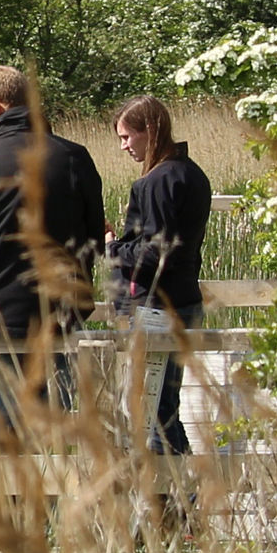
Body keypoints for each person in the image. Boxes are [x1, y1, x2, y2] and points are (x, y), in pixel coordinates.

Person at [0, 65, 106, 418]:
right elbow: (94, 240)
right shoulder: (73, 158)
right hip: (60, 317)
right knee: (56, 429)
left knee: (9, 433)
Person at [109, 94, 214, 455]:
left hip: (157, 307)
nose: (124, 147)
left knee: (150, 410)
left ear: (150, 131)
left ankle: (174, 501)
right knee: (161, 406)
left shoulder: (155, 182)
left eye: (127, 137)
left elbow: (154, 252)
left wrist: (112, 247)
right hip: (185, 301)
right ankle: (177, 498)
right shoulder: (192, 173)